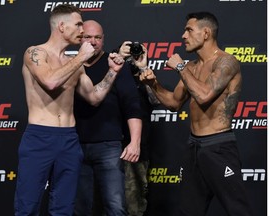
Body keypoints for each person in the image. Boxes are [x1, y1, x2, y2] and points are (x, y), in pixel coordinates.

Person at [14, 5, 125, 216]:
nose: (82, 30)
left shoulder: (74, 63)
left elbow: (94, 97)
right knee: (27, 206)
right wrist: (80, 58)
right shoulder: (35, 52)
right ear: (62, 26)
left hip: (69, 139)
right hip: (40, 137)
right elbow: (50, 81)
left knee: (64, 208)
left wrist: (112, 72)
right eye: (78, 24)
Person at [139, 12, 253, 216]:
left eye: (189, 30)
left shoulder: (226, 62)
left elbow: (204, 95)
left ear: (206, 33)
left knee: (238, 210)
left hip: (219, 147)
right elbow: (174, 103)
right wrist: (153, 84)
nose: (183, 35)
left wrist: (180, 66)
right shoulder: (192, 67)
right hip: (194, 148)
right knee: (188, 211)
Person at [73, 20, 142, 216]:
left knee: (115, 207)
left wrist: (135, 142)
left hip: (109, 146)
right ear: (79, 39)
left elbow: (132, 107)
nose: (93, 42)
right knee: (79, 208)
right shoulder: (70, 65)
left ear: (103, 40)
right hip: (74, 145)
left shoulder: (116, 64)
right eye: (87, 37)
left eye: (98, 37)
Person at [118, 42, 160, 216]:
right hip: (108, 146)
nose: (134, 53)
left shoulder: (145, 75)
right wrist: (120, 59)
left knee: (134, 205)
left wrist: (143, 68)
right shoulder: (114, 71)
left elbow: (157, 100)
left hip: (137, 151)